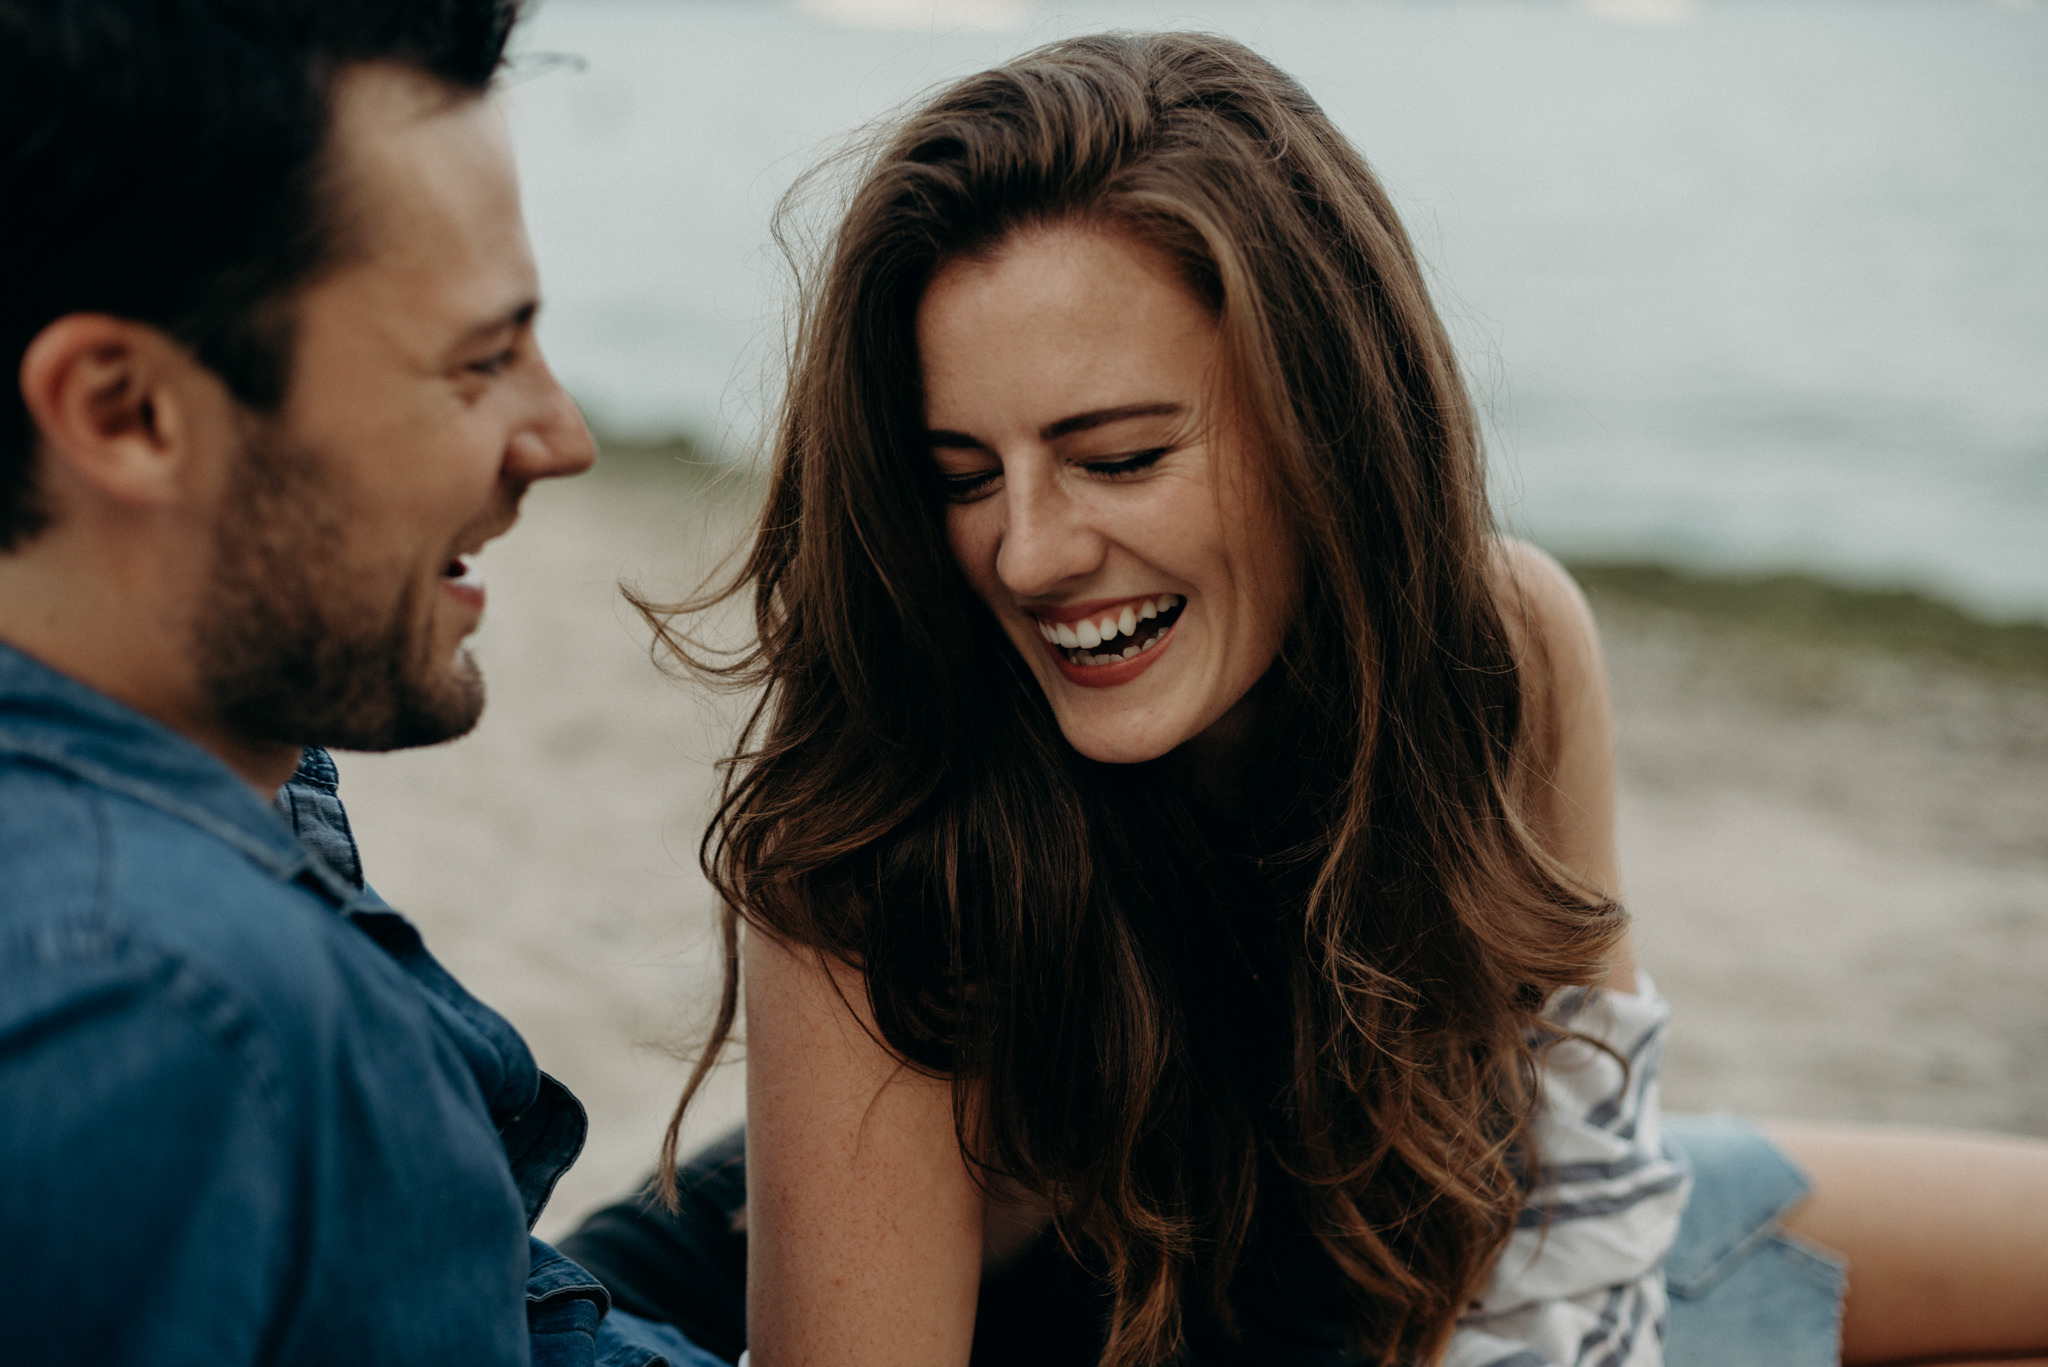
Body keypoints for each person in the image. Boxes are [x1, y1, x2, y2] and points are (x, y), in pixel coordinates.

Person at [560, 31, 2048, 1367]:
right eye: (963, 478)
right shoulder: (885, 832)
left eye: (1122, 456)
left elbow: (1586, 1199)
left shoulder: (1506, 647)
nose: (1026, 551)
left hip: (1422, 1278)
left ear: (1323, 422)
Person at [0, 2, 723, 1363]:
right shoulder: (148, 1011)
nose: (560, 436)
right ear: (126, 411)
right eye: (480, 360)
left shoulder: (225, 793)